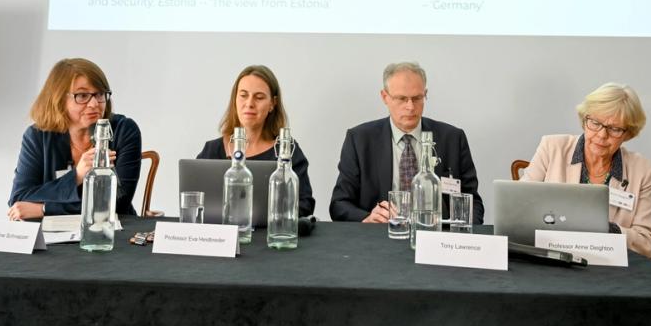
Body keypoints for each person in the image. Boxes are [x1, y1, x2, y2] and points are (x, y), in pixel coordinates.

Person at [329, 62, 484, 224]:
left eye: (417, 98)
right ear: (385, 97)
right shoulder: (360, 140)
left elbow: (473, 203)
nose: (410, 107)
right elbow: (339, 204)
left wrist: (463, 232)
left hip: (438, 234)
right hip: (380, 234)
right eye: (402, 99)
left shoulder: (452, 139)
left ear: (425, 94)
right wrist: (367, 218)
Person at [522, 82, 651, 258]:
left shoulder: (642, 170)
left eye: (615, 129)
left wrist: (610, 230)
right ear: (584, 120)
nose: (602, 135)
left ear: (627, 133)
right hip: (552, 256)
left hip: (608, 264)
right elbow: (520, 210)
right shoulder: (552, 147)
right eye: (595, 123)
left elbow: (648, 242)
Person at [7, 58, 142, 220]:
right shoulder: (37, 136)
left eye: (100, 94)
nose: (94, 104)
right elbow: (19, 198)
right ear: (58, 99)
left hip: (112, 229)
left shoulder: (124, 130)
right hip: (53, 232)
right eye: (83, 95)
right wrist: (76, 176)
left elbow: (118, 203)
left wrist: (45, 208)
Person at [197, 65, 315, 218]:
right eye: (243, 95)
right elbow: (194, 202)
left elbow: (305, 205)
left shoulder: (286, 151)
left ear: (272, 103)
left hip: (270, 232)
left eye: (259, 97)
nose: (249, 103)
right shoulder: (212, 150)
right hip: (221, 232)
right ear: (235, 100)